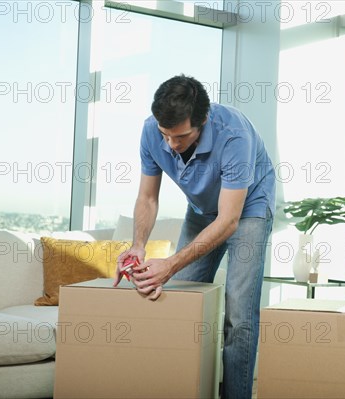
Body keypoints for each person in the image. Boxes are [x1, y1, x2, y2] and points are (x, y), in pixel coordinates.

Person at [113, 74, 276, 399]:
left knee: (239, 316)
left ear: (203, 121)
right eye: (166, 136)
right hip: (202, 210)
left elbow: (229, 220)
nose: (172, 144)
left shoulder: (233, 136)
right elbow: (147, 197)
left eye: (181, 136)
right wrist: (138, 245)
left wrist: (170, 263)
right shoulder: (152, 130)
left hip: (248, 209)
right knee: (175, 298)